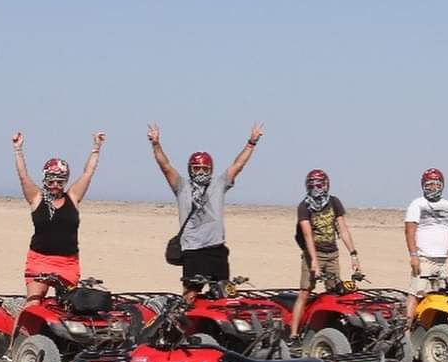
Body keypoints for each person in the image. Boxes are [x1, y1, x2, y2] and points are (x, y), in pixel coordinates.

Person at [148, 121, 263, 303]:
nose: (200, 172)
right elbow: (166, 166)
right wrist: (156, 144)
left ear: (210, 170)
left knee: (223, 294)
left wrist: (251, 143)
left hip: (216, 248)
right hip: (193, 250)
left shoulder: (219, 184)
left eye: (204, 169)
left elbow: (238, 165)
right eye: (197, 168)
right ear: (190, 169)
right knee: (190, 295)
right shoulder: (181, 187)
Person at [12, 131, 106, 300]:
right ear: (44, 180)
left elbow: (87, 173)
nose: (55, 185)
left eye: (60, 181)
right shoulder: (36, 198)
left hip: (68, 262)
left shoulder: (73, 197)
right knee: (34, 303)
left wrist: (96, 148)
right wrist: (18, 149)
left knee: (70, 306)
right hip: (39, 260)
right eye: (50, 181)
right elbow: (23, 176)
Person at [289, 170, 362, 337]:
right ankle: (293, 334)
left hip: (332, 254)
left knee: (335, 291)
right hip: (313, 254)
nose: (316, 188)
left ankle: (328, 326)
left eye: (319, 185)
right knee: (305, 292)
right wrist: (314, 261)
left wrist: (353, 255)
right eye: (312, 185)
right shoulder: (304, 206)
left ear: (326, 185)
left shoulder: (334, 202)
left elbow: (343, 229)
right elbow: (307, 234)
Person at [403, 168, 448, 322]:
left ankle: (429, 325)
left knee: (440, 295)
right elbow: (409, 231)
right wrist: (413, 255)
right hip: (424, 258)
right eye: (429, 184)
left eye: (436, 184)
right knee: (416, 292)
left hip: (442, 260)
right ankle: (406, 327)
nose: (433, 187)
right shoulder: (417, 204)